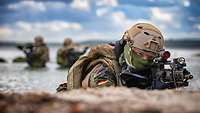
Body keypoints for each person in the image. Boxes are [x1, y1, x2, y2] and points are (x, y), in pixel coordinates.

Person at [56, 23, 176, 91]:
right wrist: (153, 93)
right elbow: (107, 104)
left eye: (150, 57)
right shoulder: (104, 71)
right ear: (128, 47)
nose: (144, 60)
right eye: (139, 54)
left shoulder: (151, 68)